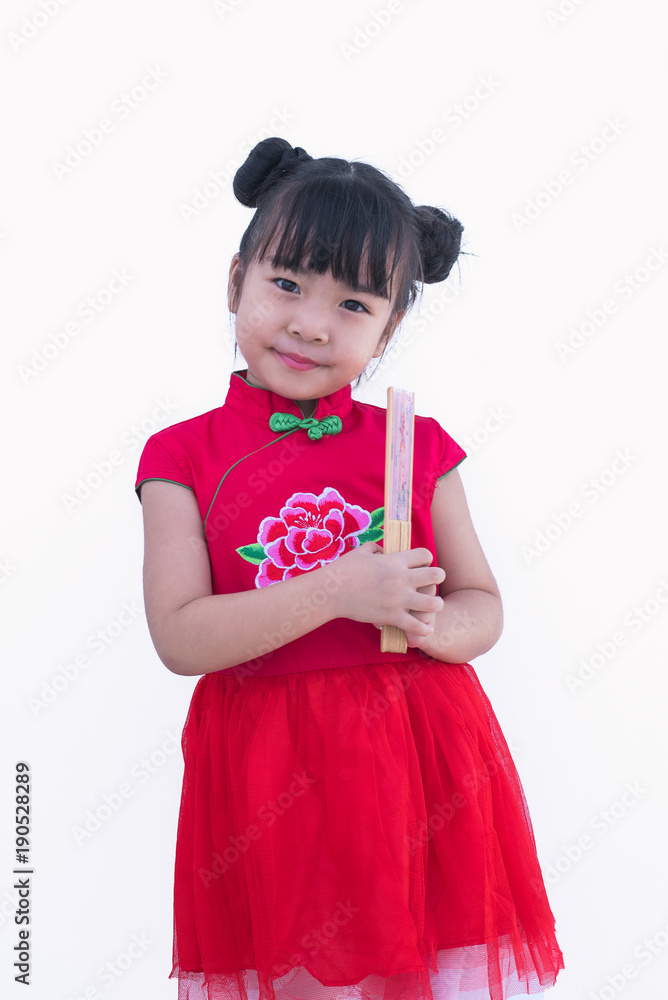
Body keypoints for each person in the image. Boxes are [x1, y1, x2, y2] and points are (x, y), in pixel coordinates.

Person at [134, 137, 564, 1000]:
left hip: (418, 762)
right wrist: (339, 589)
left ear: (388, 329)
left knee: (416, 974)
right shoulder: (180, 456)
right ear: (236, 282)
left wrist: (429, 619)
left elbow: (482, 602)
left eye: (354, 303)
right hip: (270, 772)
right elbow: (181, 637)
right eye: (287, 284)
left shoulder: (418, 447)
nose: (311, 323)